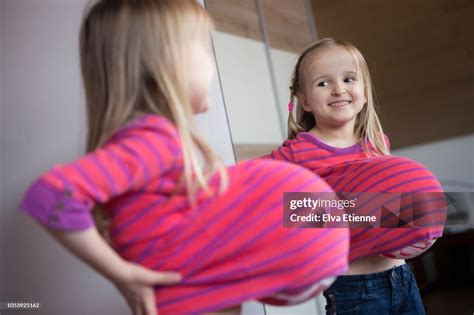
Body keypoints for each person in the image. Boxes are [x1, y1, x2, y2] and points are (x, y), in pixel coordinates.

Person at [19, 2, 350, 314]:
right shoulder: (151, 140)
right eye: (204, 49)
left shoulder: (152, 141)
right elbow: (49, 195)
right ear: (167, 61)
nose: (212, 63)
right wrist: (123, 274)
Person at [264, 38, 446, 314]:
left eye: (349, 79)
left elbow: (385, 209)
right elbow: (254, 187)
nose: (338, 89)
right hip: (353, 288)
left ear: (364, 91)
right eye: (323, 83)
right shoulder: (298, 151)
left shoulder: (376, 143)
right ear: (305, 101)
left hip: (402, 278)